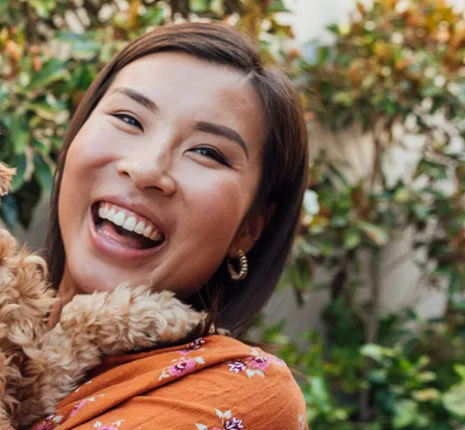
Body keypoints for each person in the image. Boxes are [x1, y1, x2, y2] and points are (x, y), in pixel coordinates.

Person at [32, 21, 310, 430]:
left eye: (207, 151)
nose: (146, 169)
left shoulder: (244, 391)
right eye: (128, 118)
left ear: (249, 228)